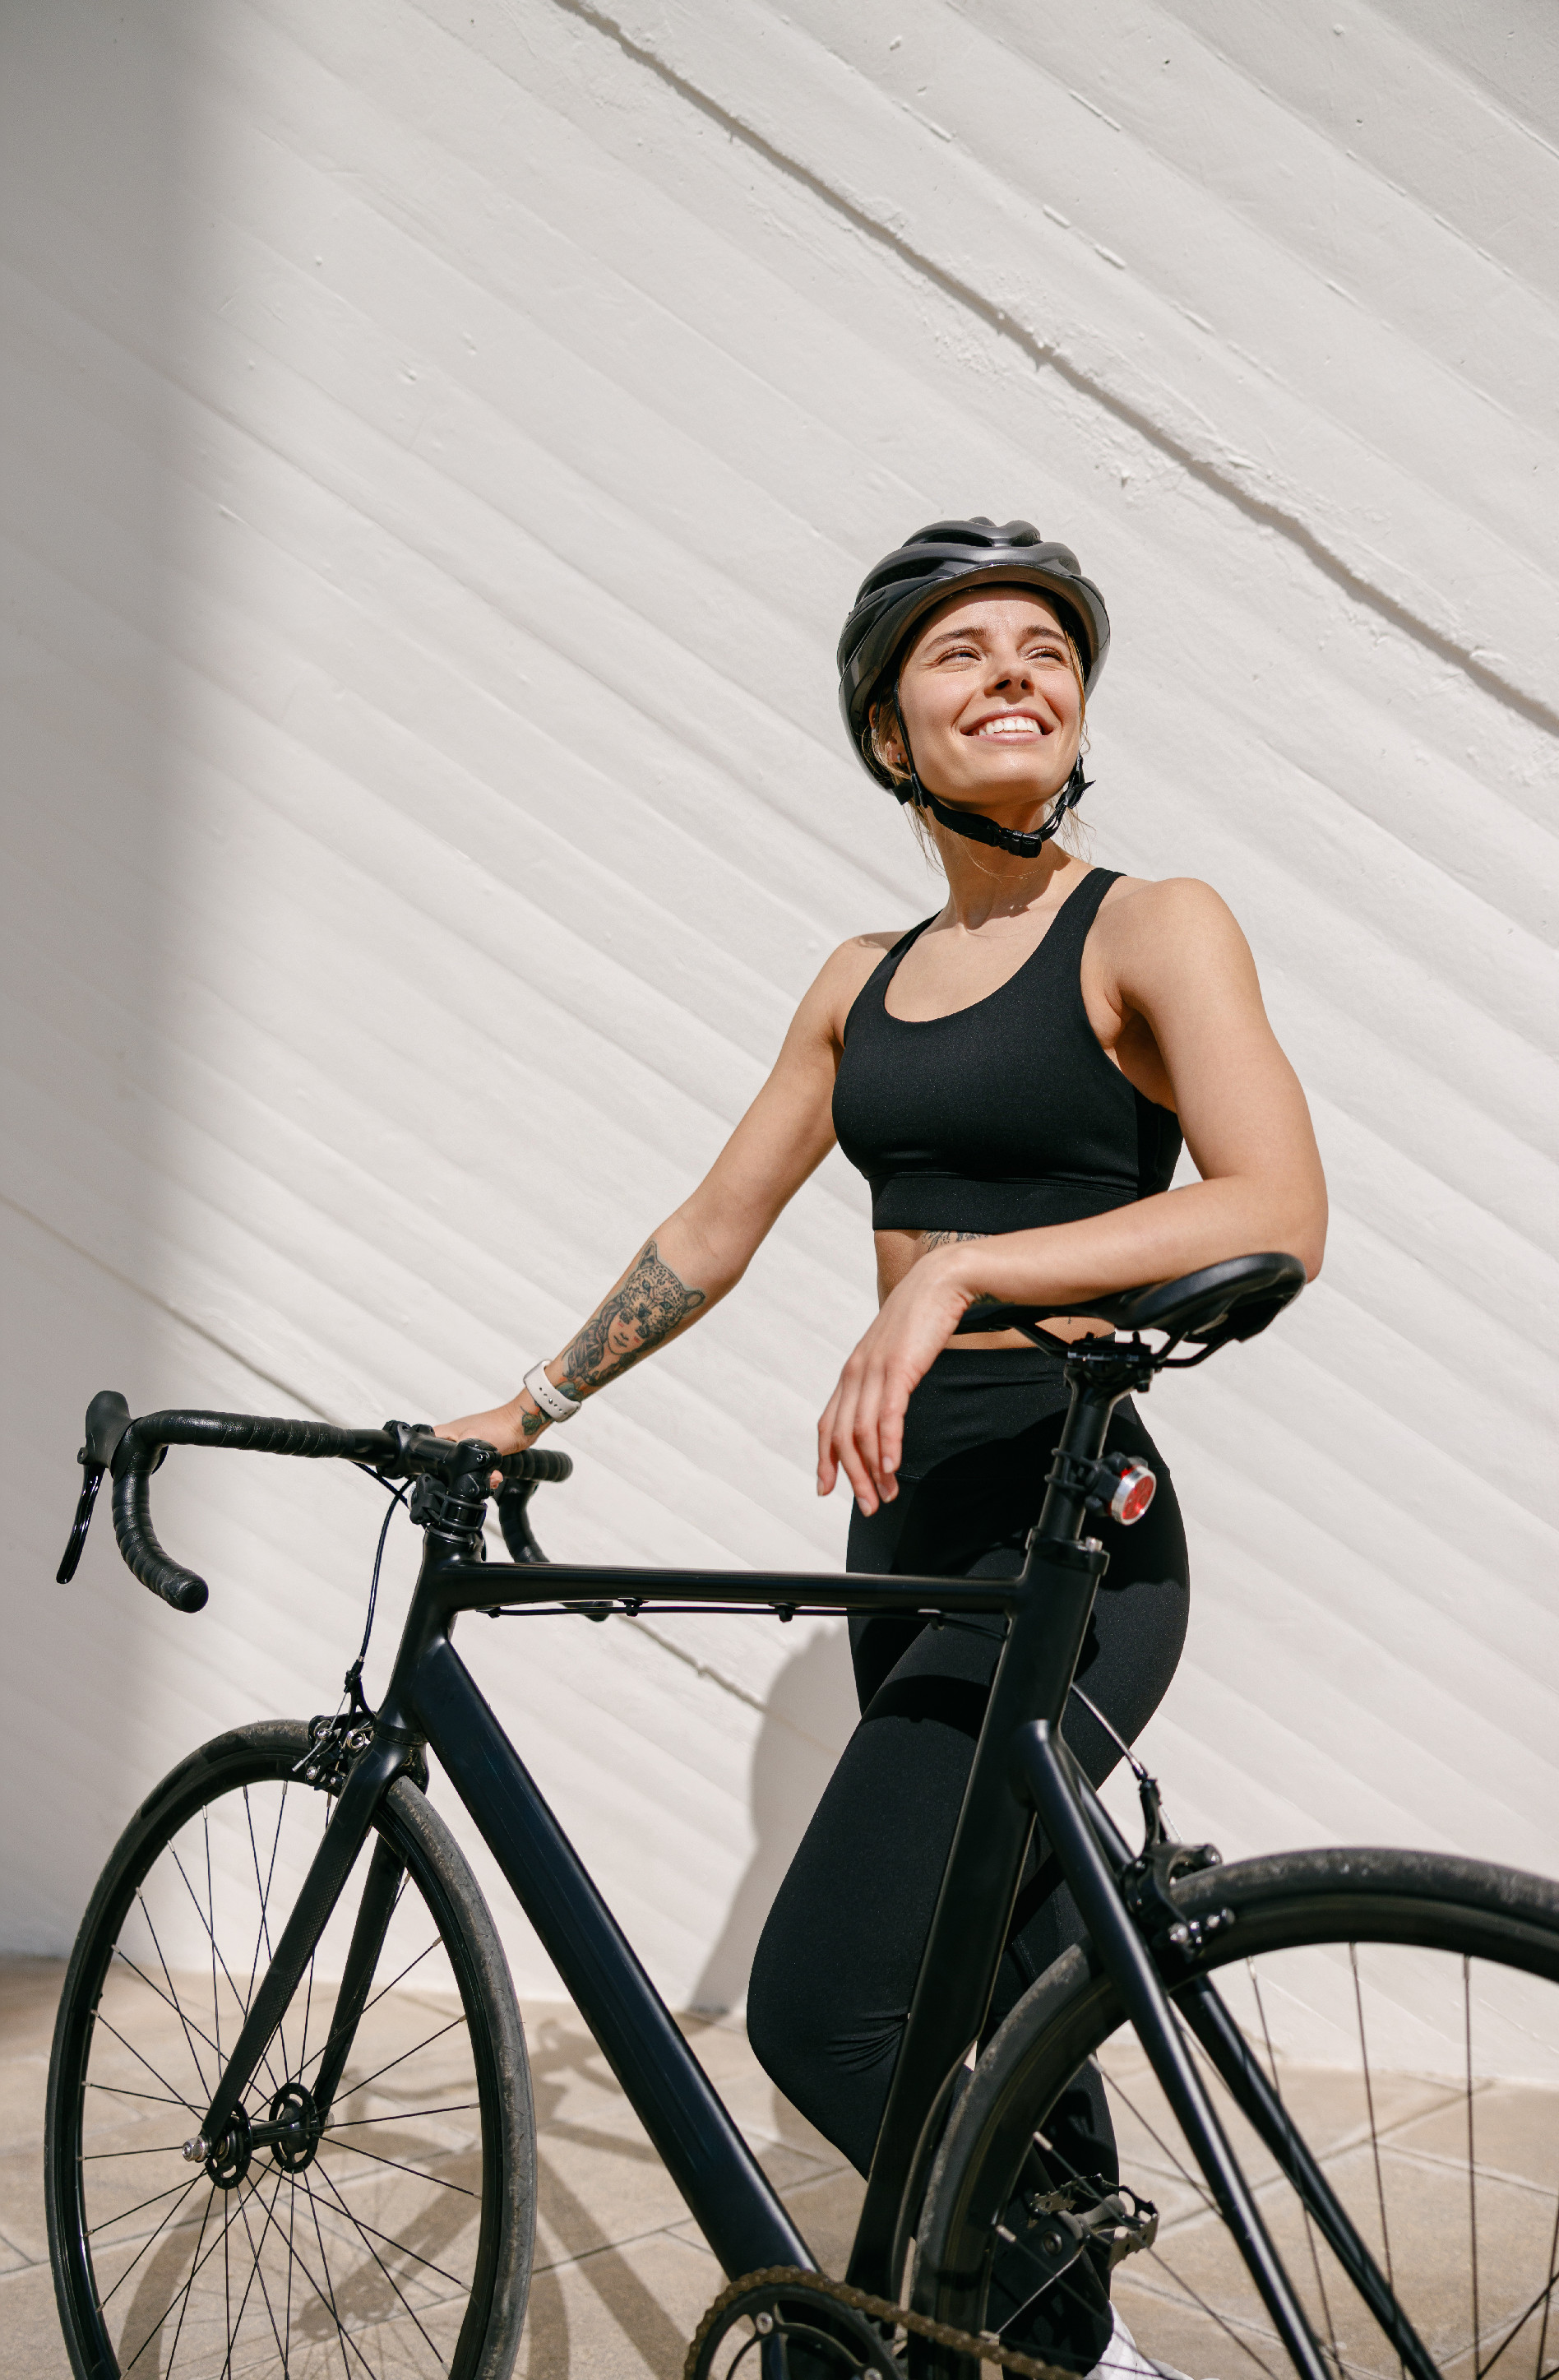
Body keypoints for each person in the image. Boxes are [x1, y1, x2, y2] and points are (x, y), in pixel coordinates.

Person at [442, 518, 1327, 2366]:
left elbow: (1276, 1204)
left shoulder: (1150, 923)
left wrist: (960, 1280)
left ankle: (1064, 2352)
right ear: (886, 736)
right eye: (959, 652)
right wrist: (533, 1400)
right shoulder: (857, 978)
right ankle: (1069, 2338)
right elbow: (711, 1228)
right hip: (909, 1534)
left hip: (1073, 1533)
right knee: (985, 1976)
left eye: (1045, 648)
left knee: (833, 2009)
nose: (1013, 668)